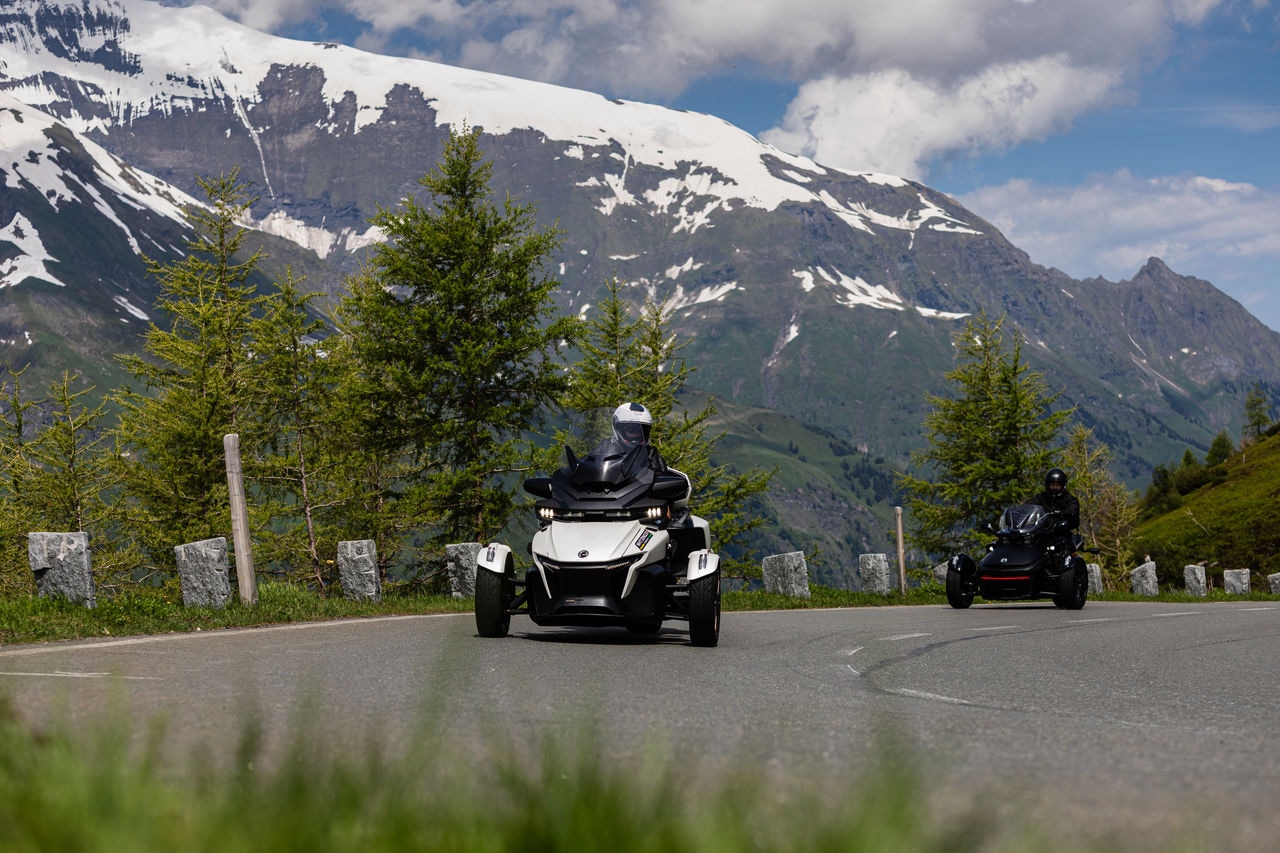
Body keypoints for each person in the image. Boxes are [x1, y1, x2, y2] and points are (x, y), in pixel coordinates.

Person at [612, 402, 691, 512]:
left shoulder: (651, 455)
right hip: (607, 503)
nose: (636, 434)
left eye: (641, 430)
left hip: (640, 508)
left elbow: (662, 482)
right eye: (630, 429)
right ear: (617, 428)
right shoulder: (605, 449)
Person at [1031, 467, 1080, 534]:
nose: (1054, 488)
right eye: (1052, 485)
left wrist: (1061, 513)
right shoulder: (1040, 498)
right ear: (1047, 485)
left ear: (1063, 486)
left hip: (1062, 533)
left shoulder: (1070, 500)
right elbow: (1030, 508)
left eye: (1057, 485)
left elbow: (1073, 510)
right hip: (1041, 532)